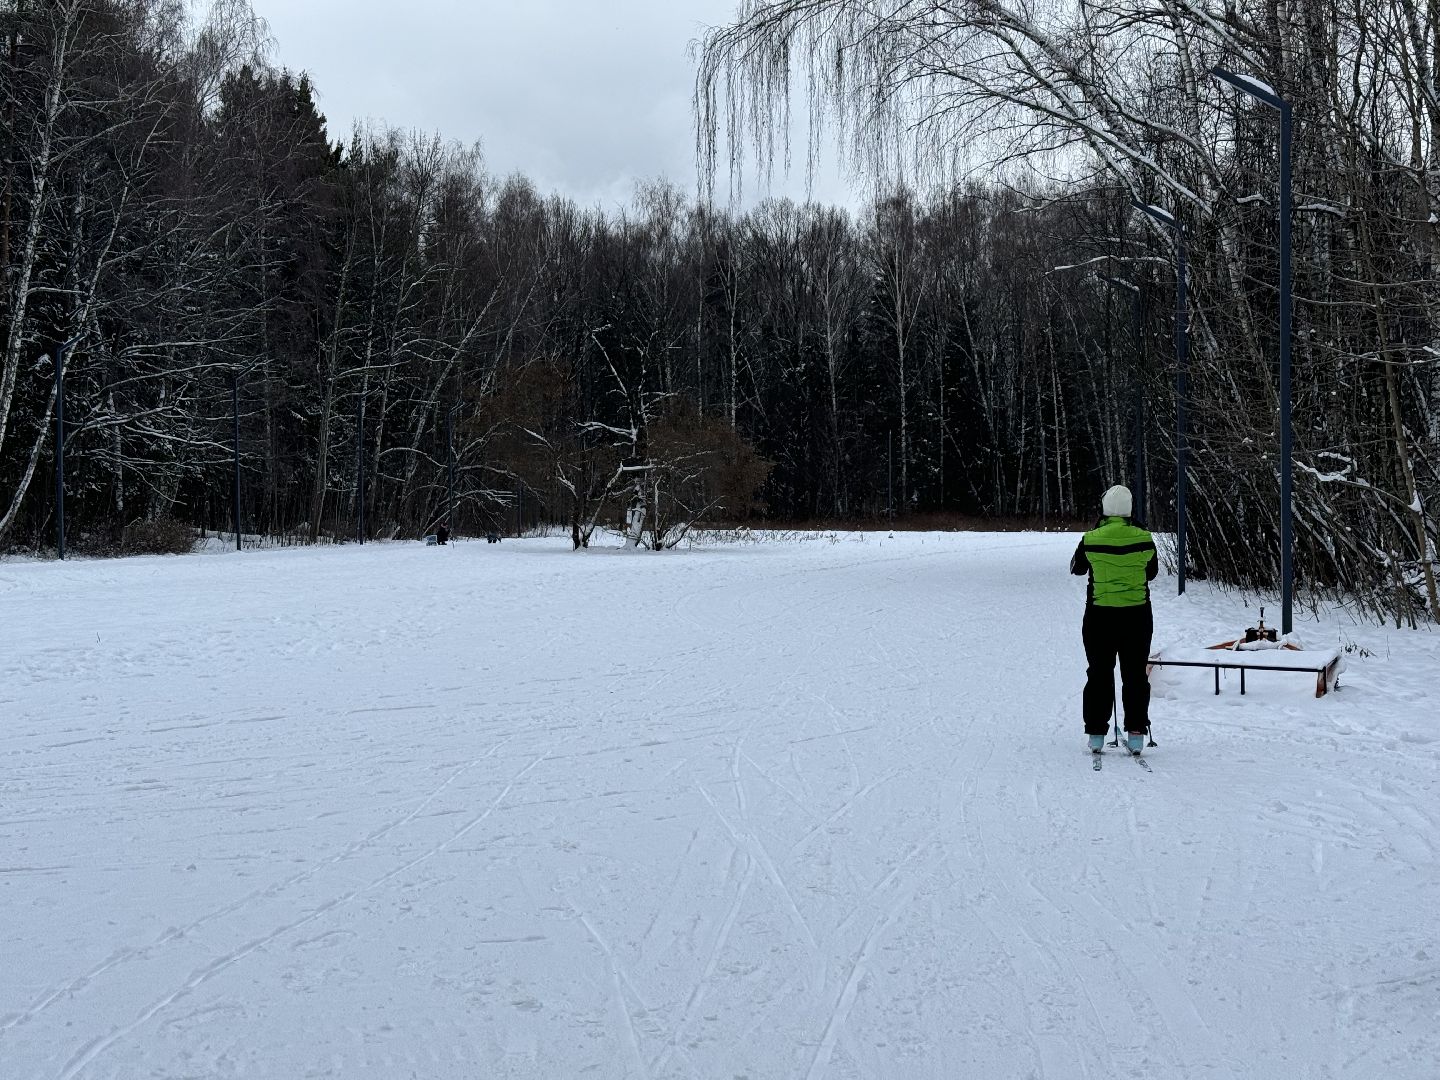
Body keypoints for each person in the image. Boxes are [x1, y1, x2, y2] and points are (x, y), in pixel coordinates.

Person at [1070, 485, 1158, 756]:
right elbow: (1151, 573)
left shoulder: (1091, 538)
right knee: (1135, 676)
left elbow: (1077, 568)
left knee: (1099, 673)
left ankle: (1096, 733)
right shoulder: (1144, 539)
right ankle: (1135, 734)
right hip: (1137, 615)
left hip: (1100, 616)